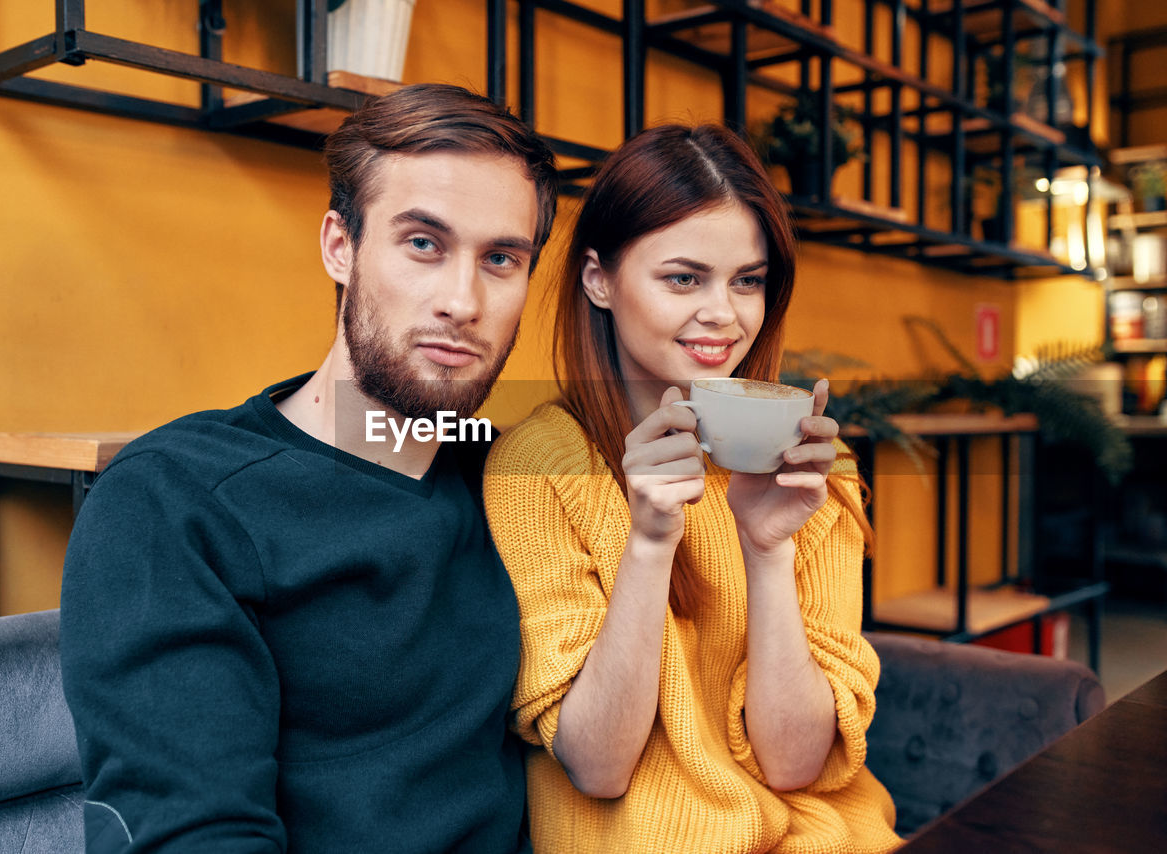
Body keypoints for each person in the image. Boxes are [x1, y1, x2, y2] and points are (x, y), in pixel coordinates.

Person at [59, 83, 557, 853]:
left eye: (500, 258)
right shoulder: (177, 501)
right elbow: (195, 836)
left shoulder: (517, 483)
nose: (463, 300)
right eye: (423, 243)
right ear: (339, 245)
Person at [483, 124, 902, 853]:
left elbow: (797, 763)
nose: (725, 314)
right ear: (598, 280)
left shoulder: (815, 471)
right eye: (684, 278)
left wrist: (766, 547)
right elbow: (597, 765)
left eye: (748, 280)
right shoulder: (540, 467)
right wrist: (648, 545)